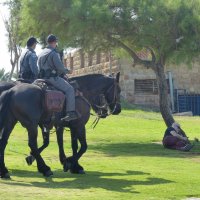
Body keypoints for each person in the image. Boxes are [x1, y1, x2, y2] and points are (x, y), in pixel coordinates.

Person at [38, 34, 78, 121]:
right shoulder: (54, 53)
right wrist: (68, 71)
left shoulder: (41, 53)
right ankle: (70, 112)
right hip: (52, 79)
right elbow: (60, 67)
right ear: (55, 42)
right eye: (56, 42)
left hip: (41, 79)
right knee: (70, 89)